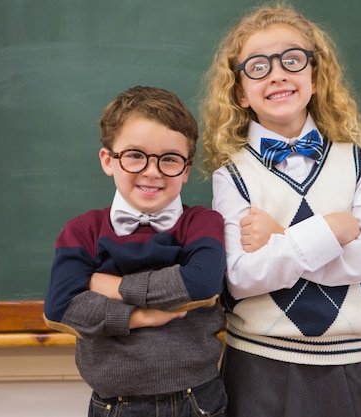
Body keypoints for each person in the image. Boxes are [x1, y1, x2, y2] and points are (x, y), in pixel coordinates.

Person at [199, 4, 361, 417]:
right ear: (240, 91)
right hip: (257, 364)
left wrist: (280, 239)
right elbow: (240, 277)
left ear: (315, 74)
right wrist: (331, 228)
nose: (277, 74)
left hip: (341, 364)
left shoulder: (357, 161)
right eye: (258, 66)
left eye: (291, 60)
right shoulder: (232, 175)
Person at [44, 86, 228, 417]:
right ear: (108, 160)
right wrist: (140, 317)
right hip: (114, 405)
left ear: (186, 169)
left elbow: (201, 284)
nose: (152, 171)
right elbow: (61, 307)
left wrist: (111, 286)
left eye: (170, 159)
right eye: (135, 155)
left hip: (197, 400)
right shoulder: (82, 230)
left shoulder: (203, 223)